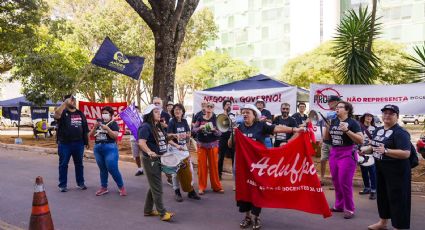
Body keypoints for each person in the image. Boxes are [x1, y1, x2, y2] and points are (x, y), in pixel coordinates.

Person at [229, 104, 301, 230]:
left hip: (258, 166)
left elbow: (277, 128)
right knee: (245, 190)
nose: (245, 114)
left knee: (257, 191)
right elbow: (230, 145)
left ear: (254, 115)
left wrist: (293, 130)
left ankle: (256, 217)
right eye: (243, 112)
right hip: (244, 167)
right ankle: (247, 217)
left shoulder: (261, 125)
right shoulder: (239, 128)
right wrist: (233, 134)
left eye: (247, 112)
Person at [366, 105, 412, 230]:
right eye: (385, 113)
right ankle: (383, 223)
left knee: (398, 199)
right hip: (381, 169)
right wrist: (365, 150)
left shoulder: (401, 133)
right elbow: (375, 147)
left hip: (397, 172)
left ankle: (400, 227)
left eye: (391, 113)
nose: (387, 115)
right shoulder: (378, 130)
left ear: (396, 116)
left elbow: (406, 153)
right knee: (383, 197)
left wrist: (386, 151)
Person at [323, 101, 363, 219]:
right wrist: (327, 127)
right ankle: (339, 205)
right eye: (336, 107)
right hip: (334, 153)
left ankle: (349, 208)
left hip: (347, 153)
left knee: (345, 182)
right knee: (336, 181)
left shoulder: (353, 122)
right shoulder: (334, 121)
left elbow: (360, 140)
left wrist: (347, 130)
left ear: (347, 110)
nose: (337, 109)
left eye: (340, 107)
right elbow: (326, 139)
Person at [138, 104, 174, 221]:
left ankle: (147, 210)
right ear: (149, 115)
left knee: (154, 186)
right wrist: (149, 152)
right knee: (158, 187)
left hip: (158, 159)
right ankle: (162, 213)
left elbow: (163, 139)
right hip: (150, 160)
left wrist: (174, 136)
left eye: (159, 112)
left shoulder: (157, 126)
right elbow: (141, 142)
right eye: (156, 112)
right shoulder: (145, 127)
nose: (159, 113)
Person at [54, 95, 89, 192]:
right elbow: (56, 115)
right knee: (63, 164)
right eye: (71, 100)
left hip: (79, 143)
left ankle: (80, 183)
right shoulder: (62, 112)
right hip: (65, 144)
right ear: (66, 101)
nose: (74, 102)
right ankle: (62, 185)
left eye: (75, 100)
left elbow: (85, 129)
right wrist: (65, 103)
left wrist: (86, 142)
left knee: (79, 164)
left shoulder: (80, 113)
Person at [89, 106, 126, 196]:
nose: (104, 115)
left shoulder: (113, 124)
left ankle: (121, 187)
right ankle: (104, 187)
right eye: (103, 113)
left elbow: (115, 136)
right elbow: (90, 135)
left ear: (111, 115)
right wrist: (95, 127)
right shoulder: (98, 123)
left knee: (112, 168)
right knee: (102, 169)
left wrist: (108, 129)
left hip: (110, 148)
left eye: (106, 113)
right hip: (98, 148)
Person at [167, 103, 201, 202]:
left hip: (184, 149)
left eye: (179, 110)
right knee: (176, 172)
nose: (177, 111)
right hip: (174, 149)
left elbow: (188, 133)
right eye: (175, 109)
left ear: (182, 112)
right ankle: (177, 191)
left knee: (189, 169)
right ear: (173, 112)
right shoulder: (172, 122)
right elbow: (168, 138)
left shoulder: (185, 121)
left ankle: (190, 191)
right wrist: (176, 140)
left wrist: (187, 135)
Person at [192, 102, 224, 195]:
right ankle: (202, 187)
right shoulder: (199, 118)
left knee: (214, 166)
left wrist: (214, 130)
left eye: (211, 107)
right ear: (204, 108)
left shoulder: (216, 119)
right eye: (208, 106)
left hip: (213, 146)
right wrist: (199, 128)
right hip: (201, 145)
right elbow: (193, 130)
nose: (209, 108)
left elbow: (220, 133)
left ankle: (217, 187)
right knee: (202, 167)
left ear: (213, 108)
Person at [320, 95, 341, 185]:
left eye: (330, 102)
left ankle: (335, 181)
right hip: (326, 142)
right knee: (322, 160)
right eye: (328, 102)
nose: (328, 103)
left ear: (336, 102)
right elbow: (326, 127)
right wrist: (322, 138)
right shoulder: (329, 114)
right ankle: (322, 178)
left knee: (334, 163)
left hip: (335, 143)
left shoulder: (340, 114)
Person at [152, 97, 172, 185]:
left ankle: (169, 178)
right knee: (156, 161)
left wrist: (165, 125)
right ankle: (156, 180)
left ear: (161, 105)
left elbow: (170, 127)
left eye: (158, 103)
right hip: (154, 141)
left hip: (165, 140)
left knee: (166, 160)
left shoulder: (166, 115)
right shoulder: (150, 114)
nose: (156, 105)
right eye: (155, 103)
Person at [358, 112, 377, 200]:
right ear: (364, 117)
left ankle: (373, 190)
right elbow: (356, 139)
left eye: (371, 116)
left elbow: (377, 140)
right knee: (364, 171)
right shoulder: (359, 127)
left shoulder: (375, 128)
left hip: (371, 153)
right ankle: (367, 188)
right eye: (367, 116)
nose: (369, 118)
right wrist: (358, 150)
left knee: (372, 172)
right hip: (361, 152)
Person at [218, 99, 235, 180]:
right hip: (223, 137)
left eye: (229, 104)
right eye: (227, 104)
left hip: (231, 136)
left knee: (233, 156)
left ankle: (235, 175)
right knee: (221, 156)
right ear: (224, 106)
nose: (229, 106)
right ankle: (219, 174)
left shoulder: (232, 115)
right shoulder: (220, 115)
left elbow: (234, 124)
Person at [130, 106, 144, 176]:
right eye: (134, 110)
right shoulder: (129, 118)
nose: (135, 111)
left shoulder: (142, 116)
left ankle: (146, 169)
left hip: (142, 139)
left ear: (139, 110)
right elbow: (127, 128)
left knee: (145, 154)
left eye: (136, 109)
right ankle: (140, 169)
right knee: (136, 155)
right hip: (133, 139)